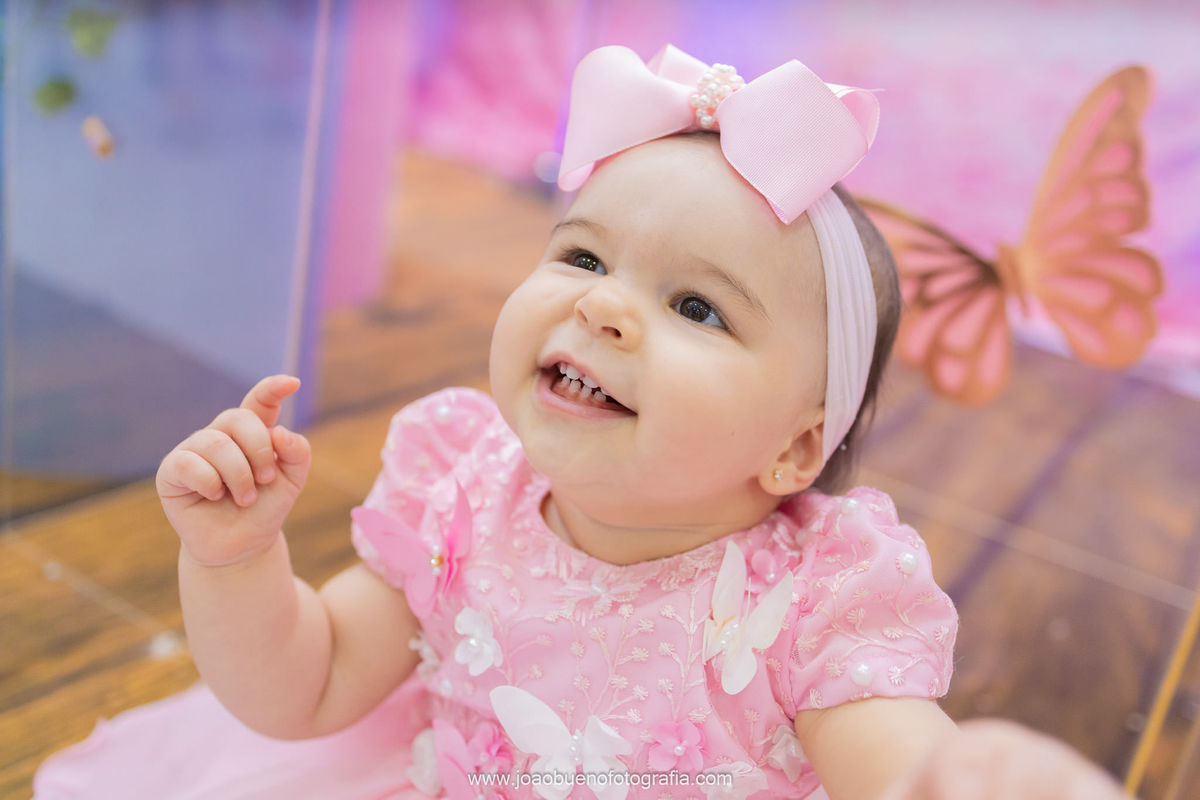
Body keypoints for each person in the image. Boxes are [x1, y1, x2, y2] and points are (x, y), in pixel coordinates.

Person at [33, 45, 1128, 800]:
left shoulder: (816, 599)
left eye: (695, 305)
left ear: (796, 447)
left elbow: (896, 765)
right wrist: (232, 558)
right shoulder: (460, 492)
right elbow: (307, 681)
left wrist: (967, 776)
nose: (603, 304)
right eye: (585, 255)